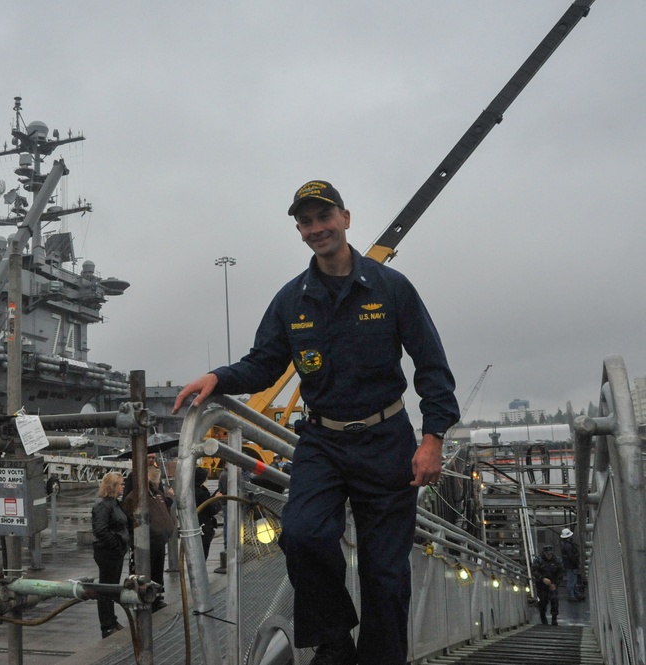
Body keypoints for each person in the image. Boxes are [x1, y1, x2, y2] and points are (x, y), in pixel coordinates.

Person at [174, 180, 459, 665]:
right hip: (323, 441)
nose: (315, 229)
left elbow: (432, 365)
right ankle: (332, 640)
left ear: (346, 219)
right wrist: (217, 377)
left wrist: (433, 438)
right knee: (303, 534)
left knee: (386, 578)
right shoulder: (292, 301)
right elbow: (263, 364)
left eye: (323, 217)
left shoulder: (392, 288)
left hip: (387, 440)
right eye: (305, 222)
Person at [92, 471, 130, 638]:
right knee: (106, 588)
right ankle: (106, 624)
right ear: (113, 486)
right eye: (121, 484)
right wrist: (115, 544)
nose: (123, 486)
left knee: (112, 587)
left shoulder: (114, 503)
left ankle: (112, 620)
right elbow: (100, 530)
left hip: (116, 550)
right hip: (107, 551)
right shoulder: (103, 505)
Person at [532, 545, 564, 625]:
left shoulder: (557, 560)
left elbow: (560, 573)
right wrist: (542, 578)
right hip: (541, 585)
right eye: (547, 554)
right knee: (543, 601)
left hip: (552, 584)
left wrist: (555, 584)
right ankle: (543, 616)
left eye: (550, 554)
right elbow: (534, 571)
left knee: (555, 600)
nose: (549, 556)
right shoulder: (538, 560)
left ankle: (554, 618)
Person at [193, 466, 220, 560]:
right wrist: (217, 500)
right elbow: (212, 509)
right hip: (203, 526)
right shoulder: (201, 492)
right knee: (203, 553)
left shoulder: (192, 490)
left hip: (198, 525)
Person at [559, 528, 583, 601]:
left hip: (569, 565)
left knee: (573, 580)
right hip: (571, 566)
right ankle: (571, 596)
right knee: (571, 581)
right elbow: (571, 556)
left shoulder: (566, 545)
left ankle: (575, 594)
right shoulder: (569, 546)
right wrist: (577, 564)